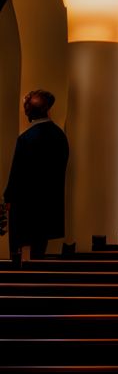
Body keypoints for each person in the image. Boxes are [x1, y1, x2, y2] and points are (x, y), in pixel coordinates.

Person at [3, 89, 69, 261]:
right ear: (47, 110)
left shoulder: (26, 138)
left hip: (25, 204)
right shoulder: (59, 136)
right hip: (49, 202)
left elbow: (16, 173)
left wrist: (8, 196)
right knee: (40, 250)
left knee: (21, 252)